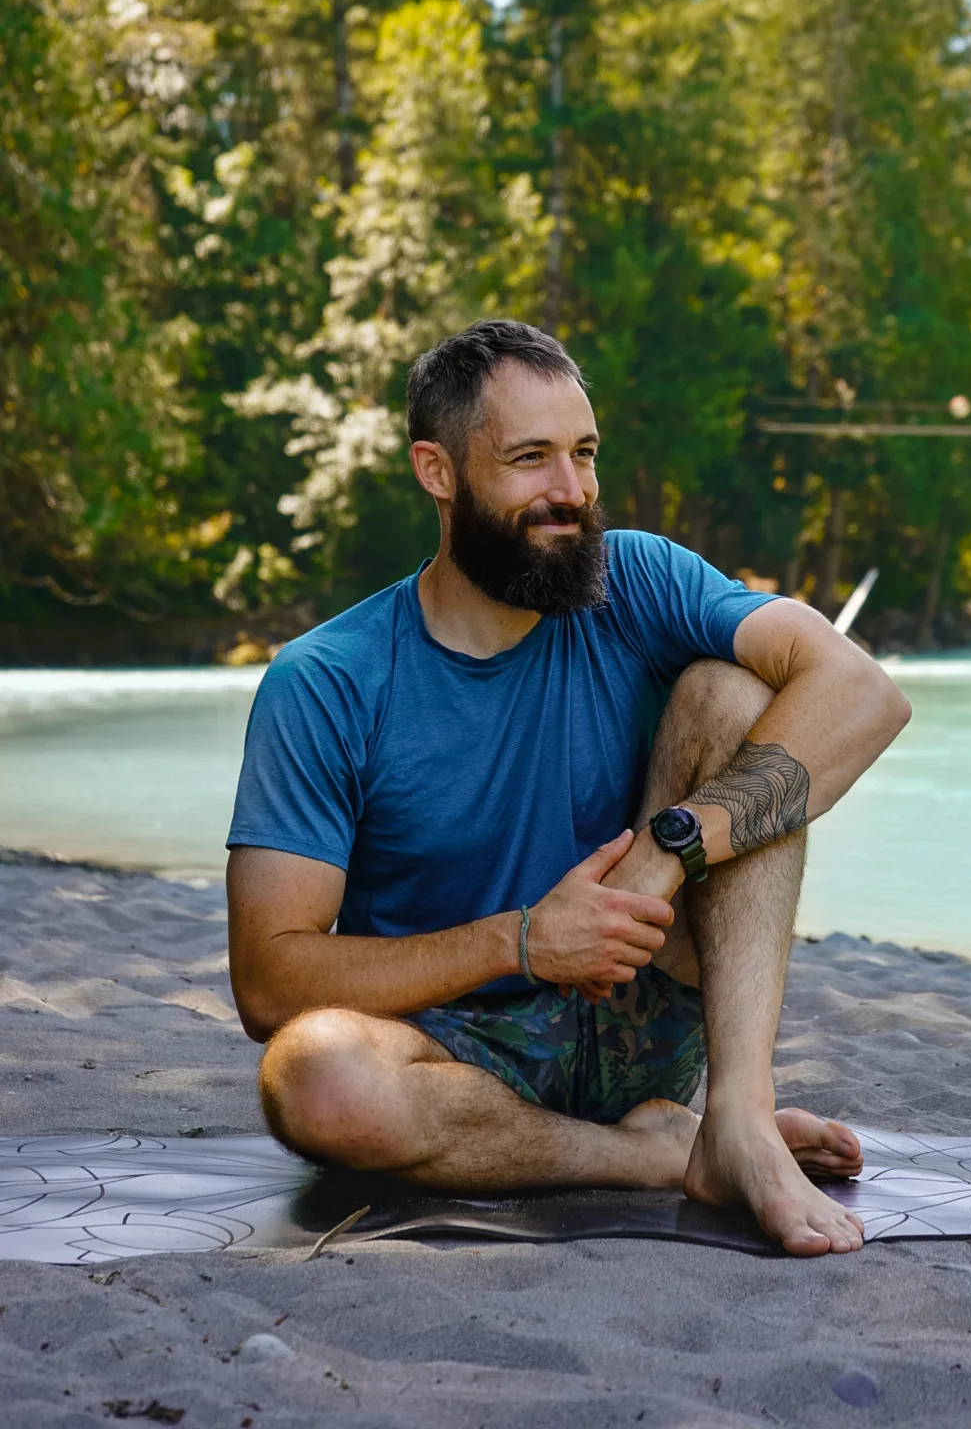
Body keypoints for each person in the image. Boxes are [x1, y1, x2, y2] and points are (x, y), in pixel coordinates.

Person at [226, 319, 911, 1256]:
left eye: (584, 454)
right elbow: (270, 981)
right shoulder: (328, 680)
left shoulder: (640, 579)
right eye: (530, 459)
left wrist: (666, 853)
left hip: (645, 1012)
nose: (572, 492)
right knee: (315, 1077)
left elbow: (862, 691)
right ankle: (663, 1157)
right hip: (457, 1055)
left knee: (739, 697)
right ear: (438, 472)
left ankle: (740, 1116)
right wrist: (522, 942)